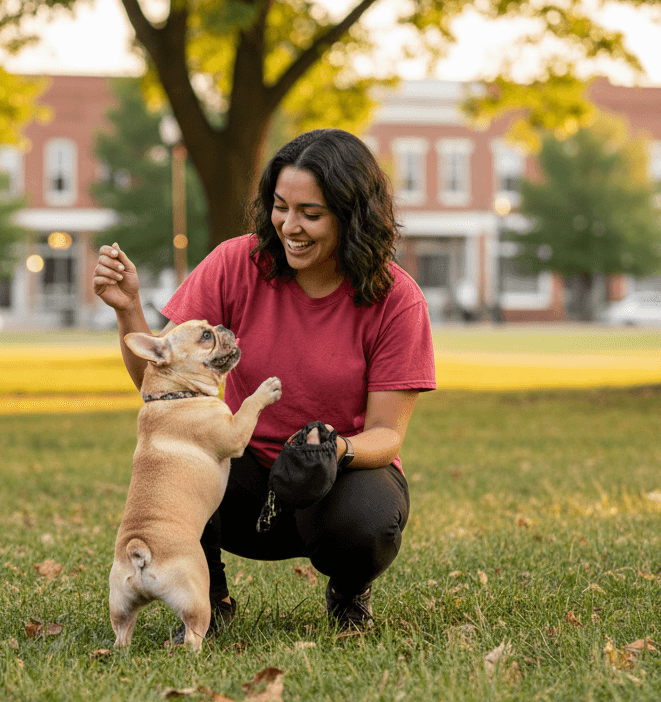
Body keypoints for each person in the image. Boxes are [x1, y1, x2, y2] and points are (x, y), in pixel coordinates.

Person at [93, 128, 435, 638]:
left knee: (369, 520)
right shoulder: (237, 263)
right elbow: (161, 380)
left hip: (333, 480)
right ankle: (208, 596)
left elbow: (387, 435)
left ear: (352, 215)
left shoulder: (397, 299)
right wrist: (129, 311)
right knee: (173, 456)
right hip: (243, 484)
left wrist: (334, 450)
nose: (289, 227)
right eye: (281, 207)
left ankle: (348, 590)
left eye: (311, 214)